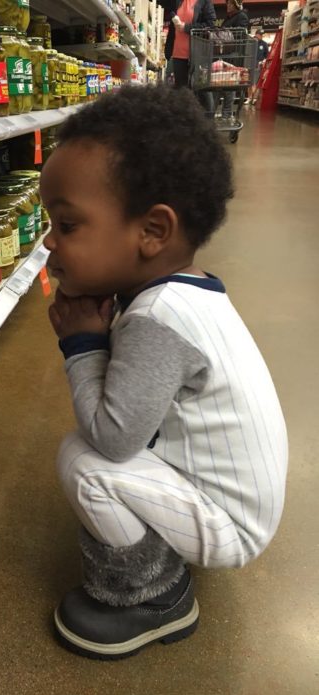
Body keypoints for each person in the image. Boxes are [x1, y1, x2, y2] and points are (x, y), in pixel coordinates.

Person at [41, 85, 288, 660]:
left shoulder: (158, 317)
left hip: (232, 526)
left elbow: (114, 437)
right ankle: (162, 556)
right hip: (227, 499)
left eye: (68, 224)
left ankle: (155, 596)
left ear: (152, 231)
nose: (50, 240)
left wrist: (81, 344)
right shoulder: (181, 291)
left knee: (84, 462)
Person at [165, 0, 216, 89]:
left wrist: (186, 27)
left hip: (197, 55)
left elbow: (210, 25)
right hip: (178, 54)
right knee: (181, 91)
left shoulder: (204, 2)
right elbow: (169, 13)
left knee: (202, 91)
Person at [218, 0, 249, 120]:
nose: (228, 6)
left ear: (236, 5)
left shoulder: (241, 17)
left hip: (234, 56)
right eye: (227, 4)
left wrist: (224, 34)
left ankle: (226, 114)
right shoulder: (227, 19)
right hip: (225, 55)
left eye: (230, 4)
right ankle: (221, 113)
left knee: (229, 86)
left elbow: (240, 35)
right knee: (221, 85)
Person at [247, 29, 270, 104]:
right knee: (249, 82)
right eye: (260, 35)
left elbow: (267, 55)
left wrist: (263, 61)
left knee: (256, 82)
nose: (261, 36)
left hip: (258, 65)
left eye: (262, 35)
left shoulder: (264, 44)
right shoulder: (250, 42)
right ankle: (249, 98)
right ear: (256, 34)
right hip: (249, 64)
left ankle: (254, 98)